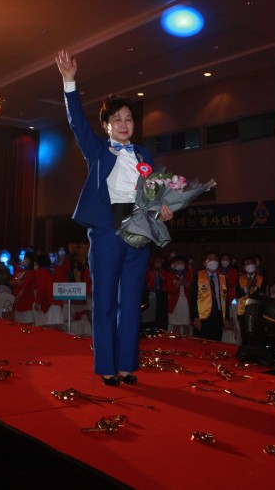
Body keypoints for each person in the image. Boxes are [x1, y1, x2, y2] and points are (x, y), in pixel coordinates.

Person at [56, 50, 173, 386]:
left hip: (139, 232)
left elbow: (150, 192)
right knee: (105, 301)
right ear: (107, 125)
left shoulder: (144, 154)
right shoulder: (97, 150)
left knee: (131, 302)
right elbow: (77, 123)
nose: (124, 124)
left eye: (129, 119)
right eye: (117, 120)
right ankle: (107, 367)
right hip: (107, 232)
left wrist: (162, 208)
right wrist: (69, 82)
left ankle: (126, 366)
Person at [190, 252, 229, 342]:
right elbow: (192, 299)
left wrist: (226, 318)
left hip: (218, 316)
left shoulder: (222, 278)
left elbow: (225, 300)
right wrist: (195, 317)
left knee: (216, 343)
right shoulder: (198, 276)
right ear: (204, 263)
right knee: (202, 344)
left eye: (215, 259)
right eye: (210, 259)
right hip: (202, 317)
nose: (213, 261)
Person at [165, 256, 192, 335]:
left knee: (186, 325)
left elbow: (191, 288)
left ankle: (186, 341)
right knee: (176, 326)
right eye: (178, 263)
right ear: (173, 264)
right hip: (175, 302)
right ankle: (176, 341)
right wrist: (178, 284)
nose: (180, 264)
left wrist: (186, 283)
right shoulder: (170, 275)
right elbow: (170, 290)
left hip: (186, 301)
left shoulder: (188, 274)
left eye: (181, 263)